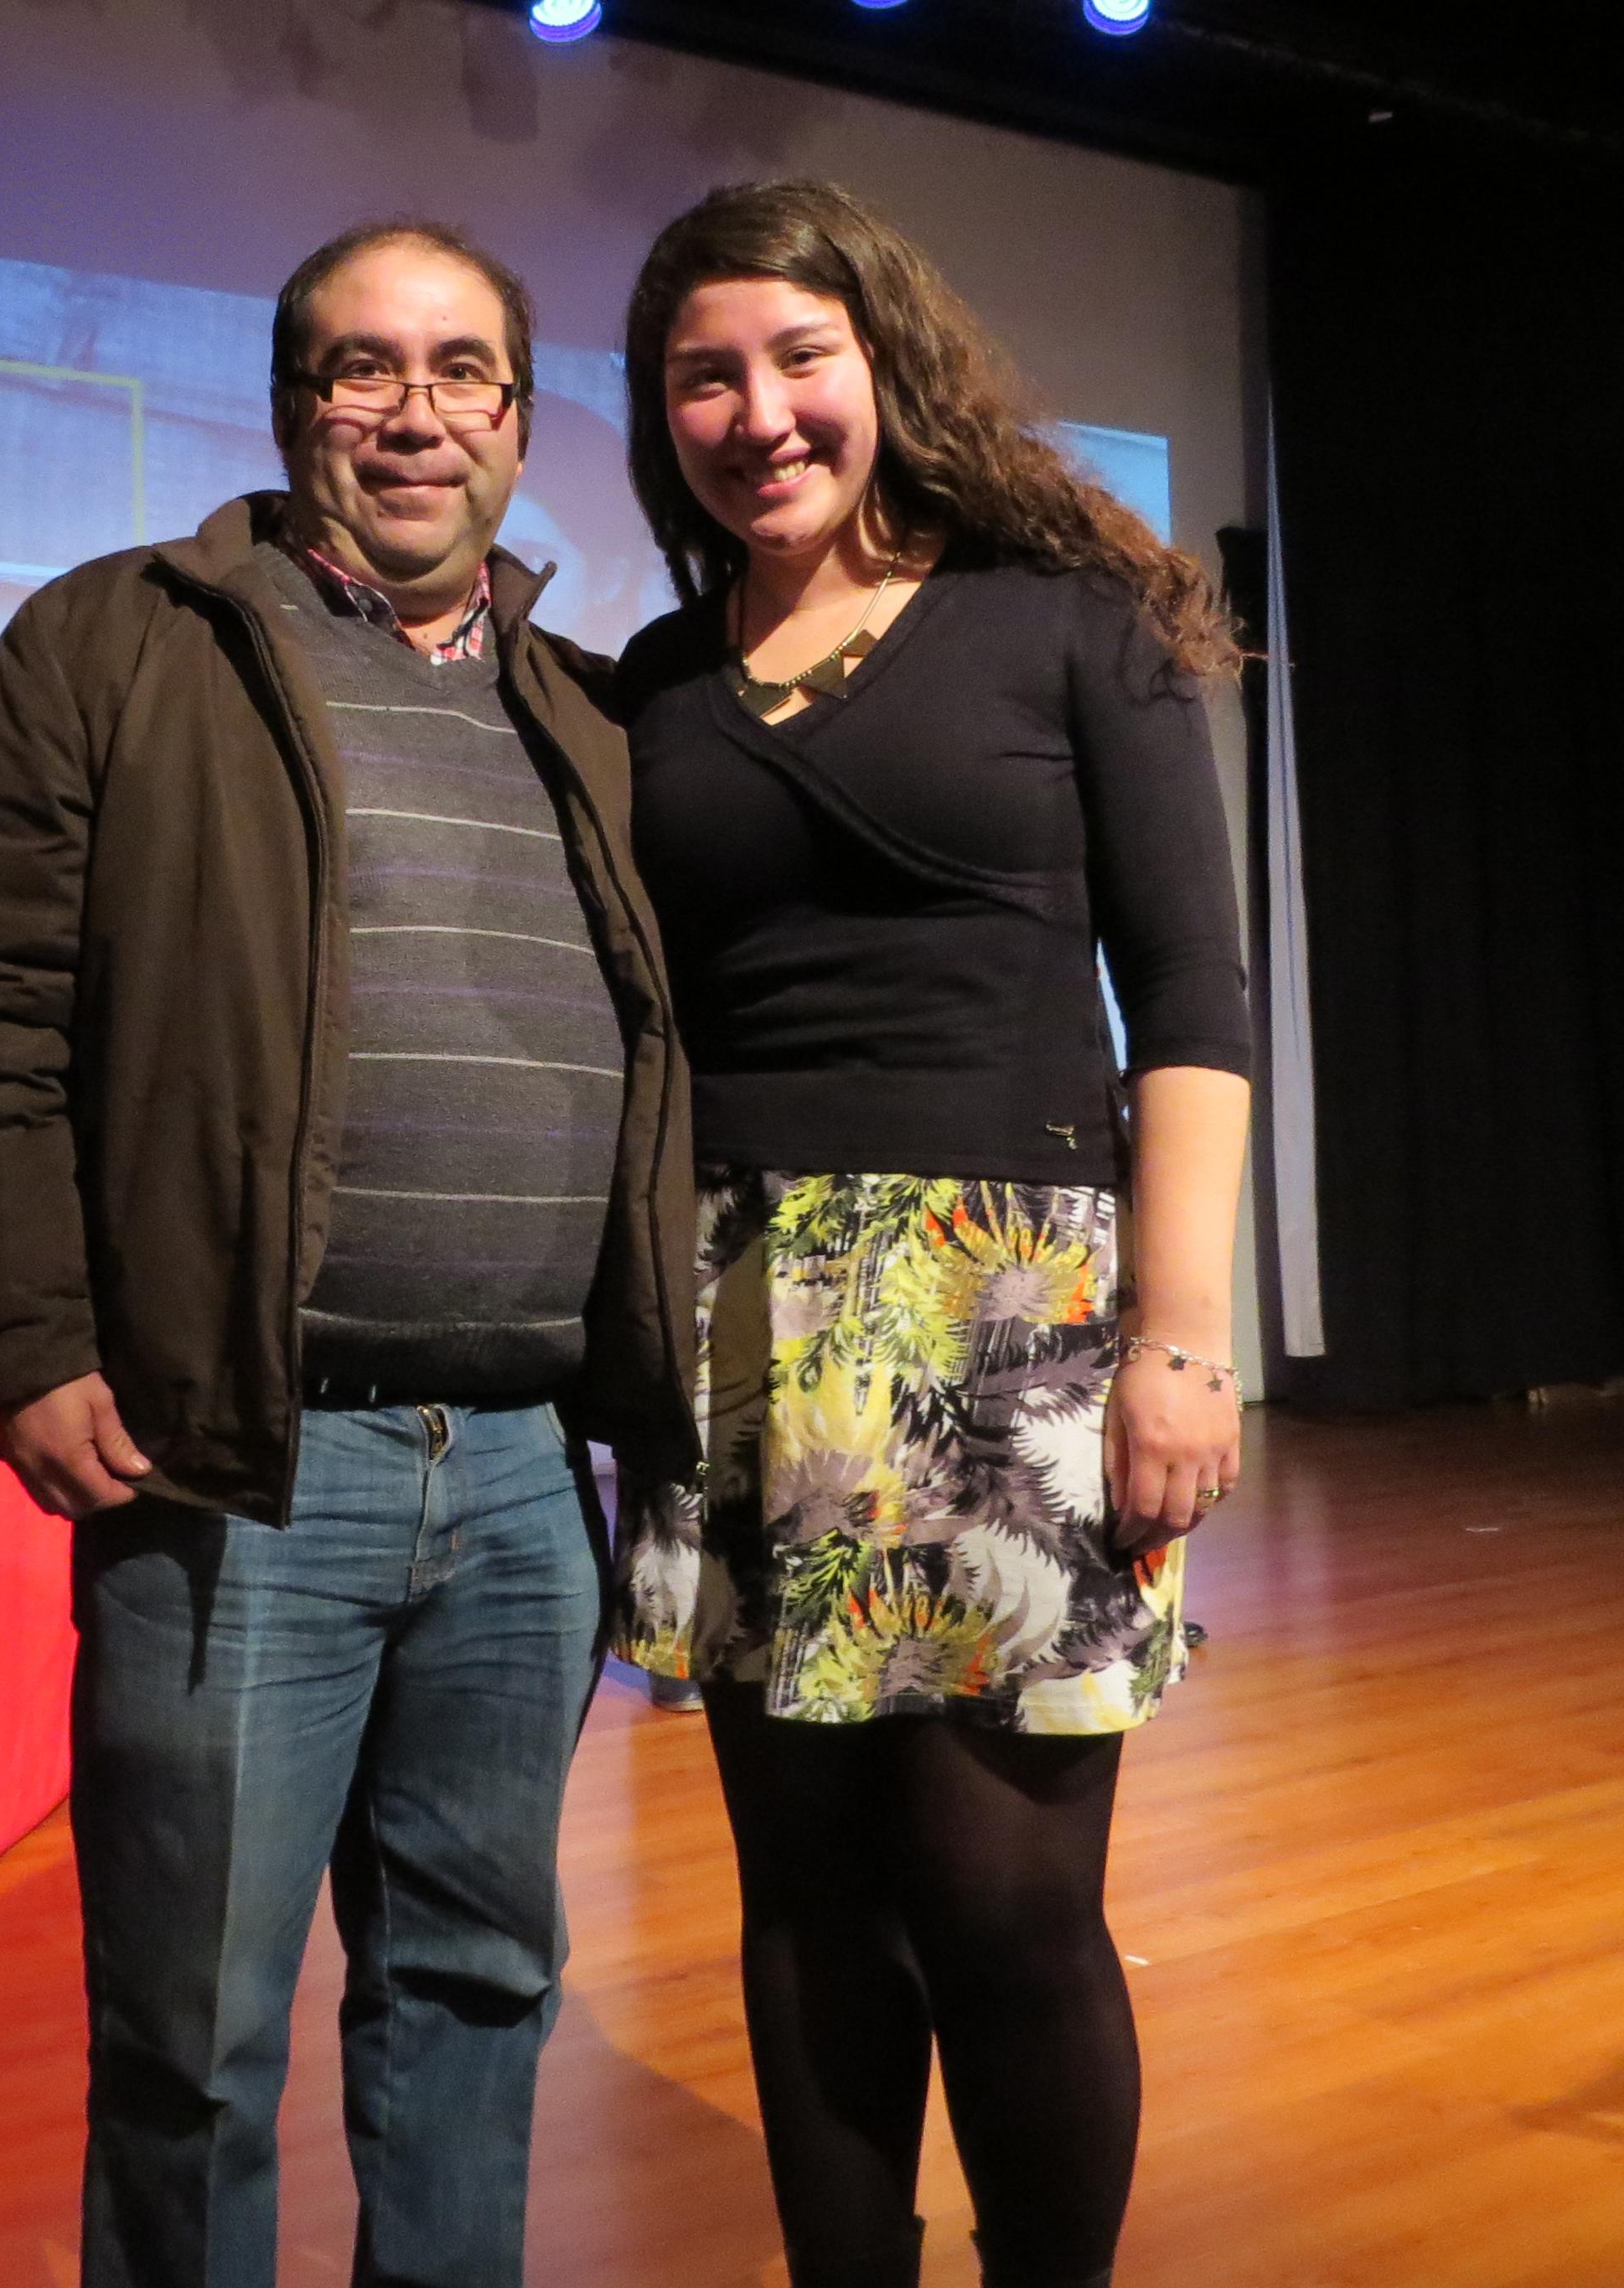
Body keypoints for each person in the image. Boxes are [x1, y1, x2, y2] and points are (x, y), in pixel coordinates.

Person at [0, 219, 696, 2288]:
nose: (413, 414)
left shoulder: (589, 716)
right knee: (193, 2039)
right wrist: (23, 1337)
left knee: (475, 1992)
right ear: (288, 404)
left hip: (525, 1480)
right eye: (364, 369)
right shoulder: (116, 647)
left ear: (519, 426)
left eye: (460, 374)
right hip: (238, 1466)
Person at [611, 180, 1252, 2288]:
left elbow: (1195, 1006)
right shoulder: (651, 680)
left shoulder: (1070, 616)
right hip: (742, 1310)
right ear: (661, 414)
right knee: (803, 1897)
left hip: (1013, 1322)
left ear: (885, 367)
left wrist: (1175, 1341)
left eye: (802, 359)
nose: (759, 411)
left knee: (1006, 1905)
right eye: (707, 373)